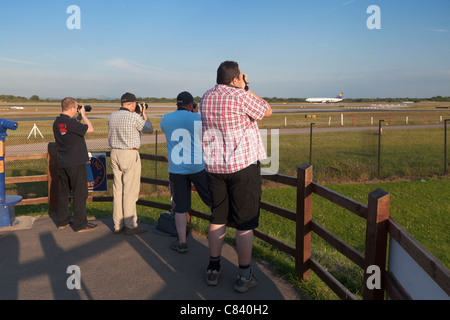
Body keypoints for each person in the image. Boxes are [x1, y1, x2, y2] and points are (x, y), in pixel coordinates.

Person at [200, 61, 272, 293]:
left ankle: (213, 268)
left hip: (214, 168)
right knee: (244, 224)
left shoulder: (206, 97)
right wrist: (247, 87)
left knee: (217, 218)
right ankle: (243, 274)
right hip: (242, 167)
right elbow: (266, 110)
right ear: (235, 79)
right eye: (241, 77)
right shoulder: (240, 95)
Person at [160, 91, 212, 253]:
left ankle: (181, 242)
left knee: (180, 207)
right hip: (197, 166)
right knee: (212, 199)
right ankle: (218, 233)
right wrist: (195, 114)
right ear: (191, 105)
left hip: (176, 169)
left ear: (177, 103)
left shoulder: (165, 119)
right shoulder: (197, 118)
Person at [108, 92, 153, 235]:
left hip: (114, 153)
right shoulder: (134, 117)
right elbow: (148, 129)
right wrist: (143, 113)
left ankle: (117, 224)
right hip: (129, 153)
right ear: (133, 104)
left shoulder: (112, 116)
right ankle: (130, 225)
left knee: (118, 190)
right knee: (130, 191)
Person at [53, 97, 98, 233]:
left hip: (63, 162)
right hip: (76, 162)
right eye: (77, 108)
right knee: (80, 193)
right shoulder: (71, 124)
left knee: (63, 193)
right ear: (72, 108)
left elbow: (69, 131)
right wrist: (83, 115)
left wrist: (76, 118)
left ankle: (62, 221)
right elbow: (90, 129)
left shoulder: (57, 122)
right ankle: (80, 224)